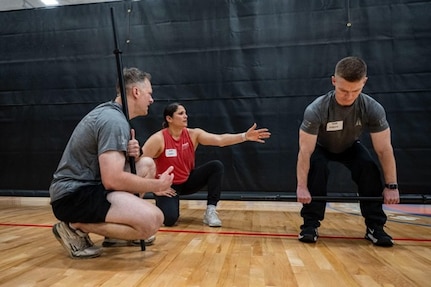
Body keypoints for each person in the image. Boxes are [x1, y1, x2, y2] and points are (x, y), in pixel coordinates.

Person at [49, 67, 175, 259]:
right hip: (72, 196)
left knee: (147, 164)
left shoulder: (115, 116)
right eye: (149, 94)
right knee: (152, 221)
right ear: (136, 92)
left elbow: (108, 167)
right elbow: (113, 180)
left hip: (91, 187)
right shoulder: (113, 120)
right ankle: (74, 225)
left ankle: (114, 235)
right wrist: (156, 185)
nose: (151, 100)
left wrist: (133, 154)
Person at [296, 56, 400, 247]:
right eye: (343, 90)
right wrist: (301, 186)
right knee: (317, 167)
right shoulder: (317, 109)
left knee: (368, 168)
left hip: (351, 146)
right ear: (334, 81)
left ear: (364, 82)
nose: (349, 96)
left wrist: (391, 186)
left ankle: (375, 227)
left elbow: (384, 149)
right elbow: (305, 151)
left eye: (356, 90)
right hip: (322, 147)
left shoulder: (372, 108)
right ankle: (310, 224)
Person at [139, 102, 271, 227]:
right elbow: (141, 165)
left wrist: (244, 136)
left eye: (185, 113)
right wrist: (155, 187)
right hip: (167, 186)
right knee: (170, 220)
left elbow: (220, 140)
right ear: (169, 118)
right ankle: (153, 208)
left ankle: (211, 210)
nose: (185, 116)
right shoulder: (158, 139)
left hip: (187, 181)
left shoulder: (193, 134)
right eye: (180, 113)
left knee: (216, 166)